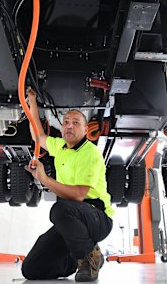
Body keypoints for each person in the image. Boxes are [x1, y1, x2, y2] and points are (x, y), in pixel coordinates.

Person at [21, 88, 114, 282]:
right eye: (66, 123)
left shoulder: (90, 153)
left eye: (75, 123)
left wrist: (44, 179)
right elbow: (38, 135)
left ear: (86, 130)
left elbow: (79, 195)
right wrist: (32, 101)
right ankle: (76, 260)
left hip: (97, 218)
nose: (69, 126)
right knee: (31, 269)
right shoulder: (61, 147)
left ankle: (91, 256)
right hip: (73, 219)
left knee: (60, 210)